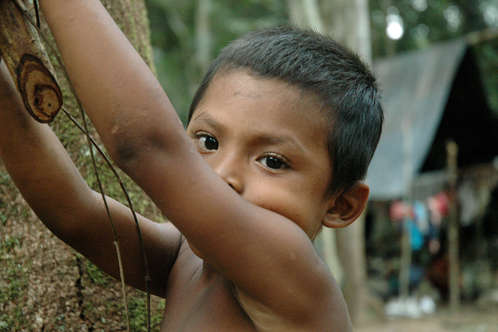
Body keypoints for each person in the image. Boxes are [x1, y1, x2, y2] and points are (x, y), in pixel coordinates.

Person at [0, 1, 383, 331]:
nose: (221, 176)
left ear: (340, 204)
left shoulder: (297, 279)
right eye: (208, 142)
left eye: (272, 161)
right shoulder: (185, 260)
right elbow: (73, 213)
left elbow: (147, 148)